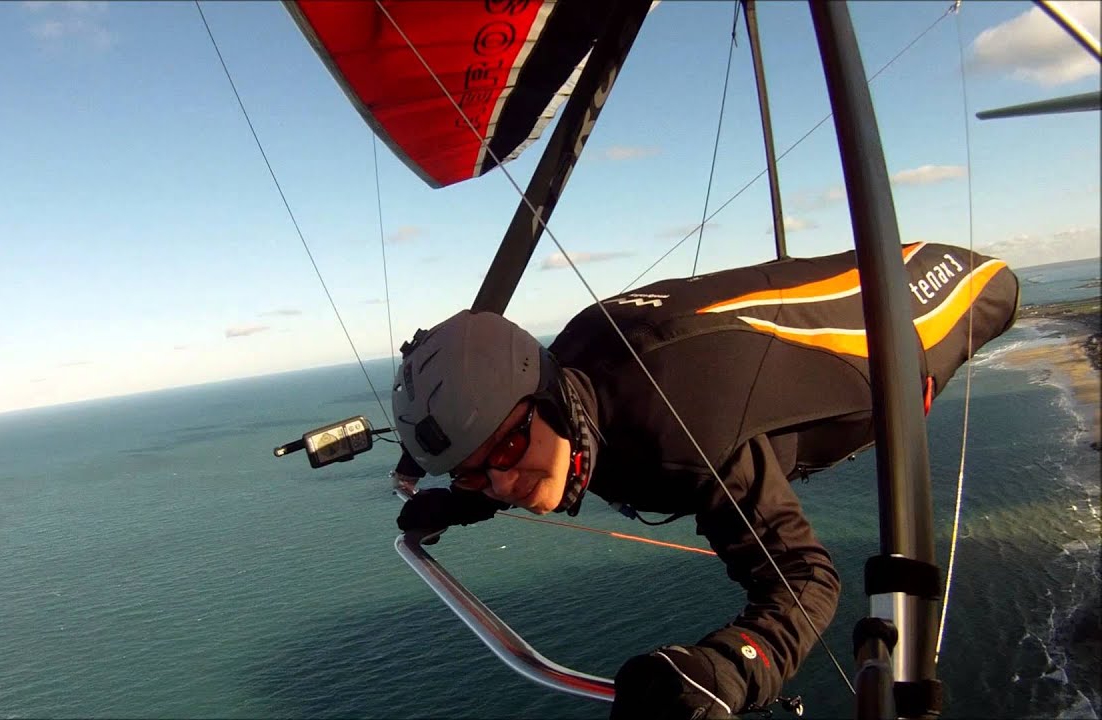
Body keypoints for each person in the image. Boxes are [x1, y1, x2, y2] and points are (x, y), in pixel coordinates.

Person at [390, 242, 1020, 719]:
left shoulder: (677, 433)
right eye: (473, 472)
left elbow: (805, 581)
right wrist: (461, 502)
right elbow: (512, 465)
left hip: (925, 310)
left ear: (550, 398)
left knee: (1001, 286)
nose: (498, 481)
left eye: (505, 445)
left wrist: (722, 671)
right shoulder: (564, 387)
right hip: (755, 333)